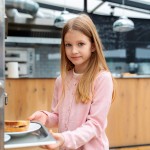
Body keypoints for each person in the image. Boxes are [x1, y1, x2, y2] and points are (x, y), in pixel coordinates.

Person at [29, 13, 115, 150]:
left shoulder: (103, 79)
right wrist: (45, 117)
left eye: (80, 44)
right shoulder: (61, 80)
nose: (74, 51)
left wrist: (65, 139)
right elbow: (59, 116)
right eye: (68, 45)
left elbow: (95, 124)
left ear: (93, 46)